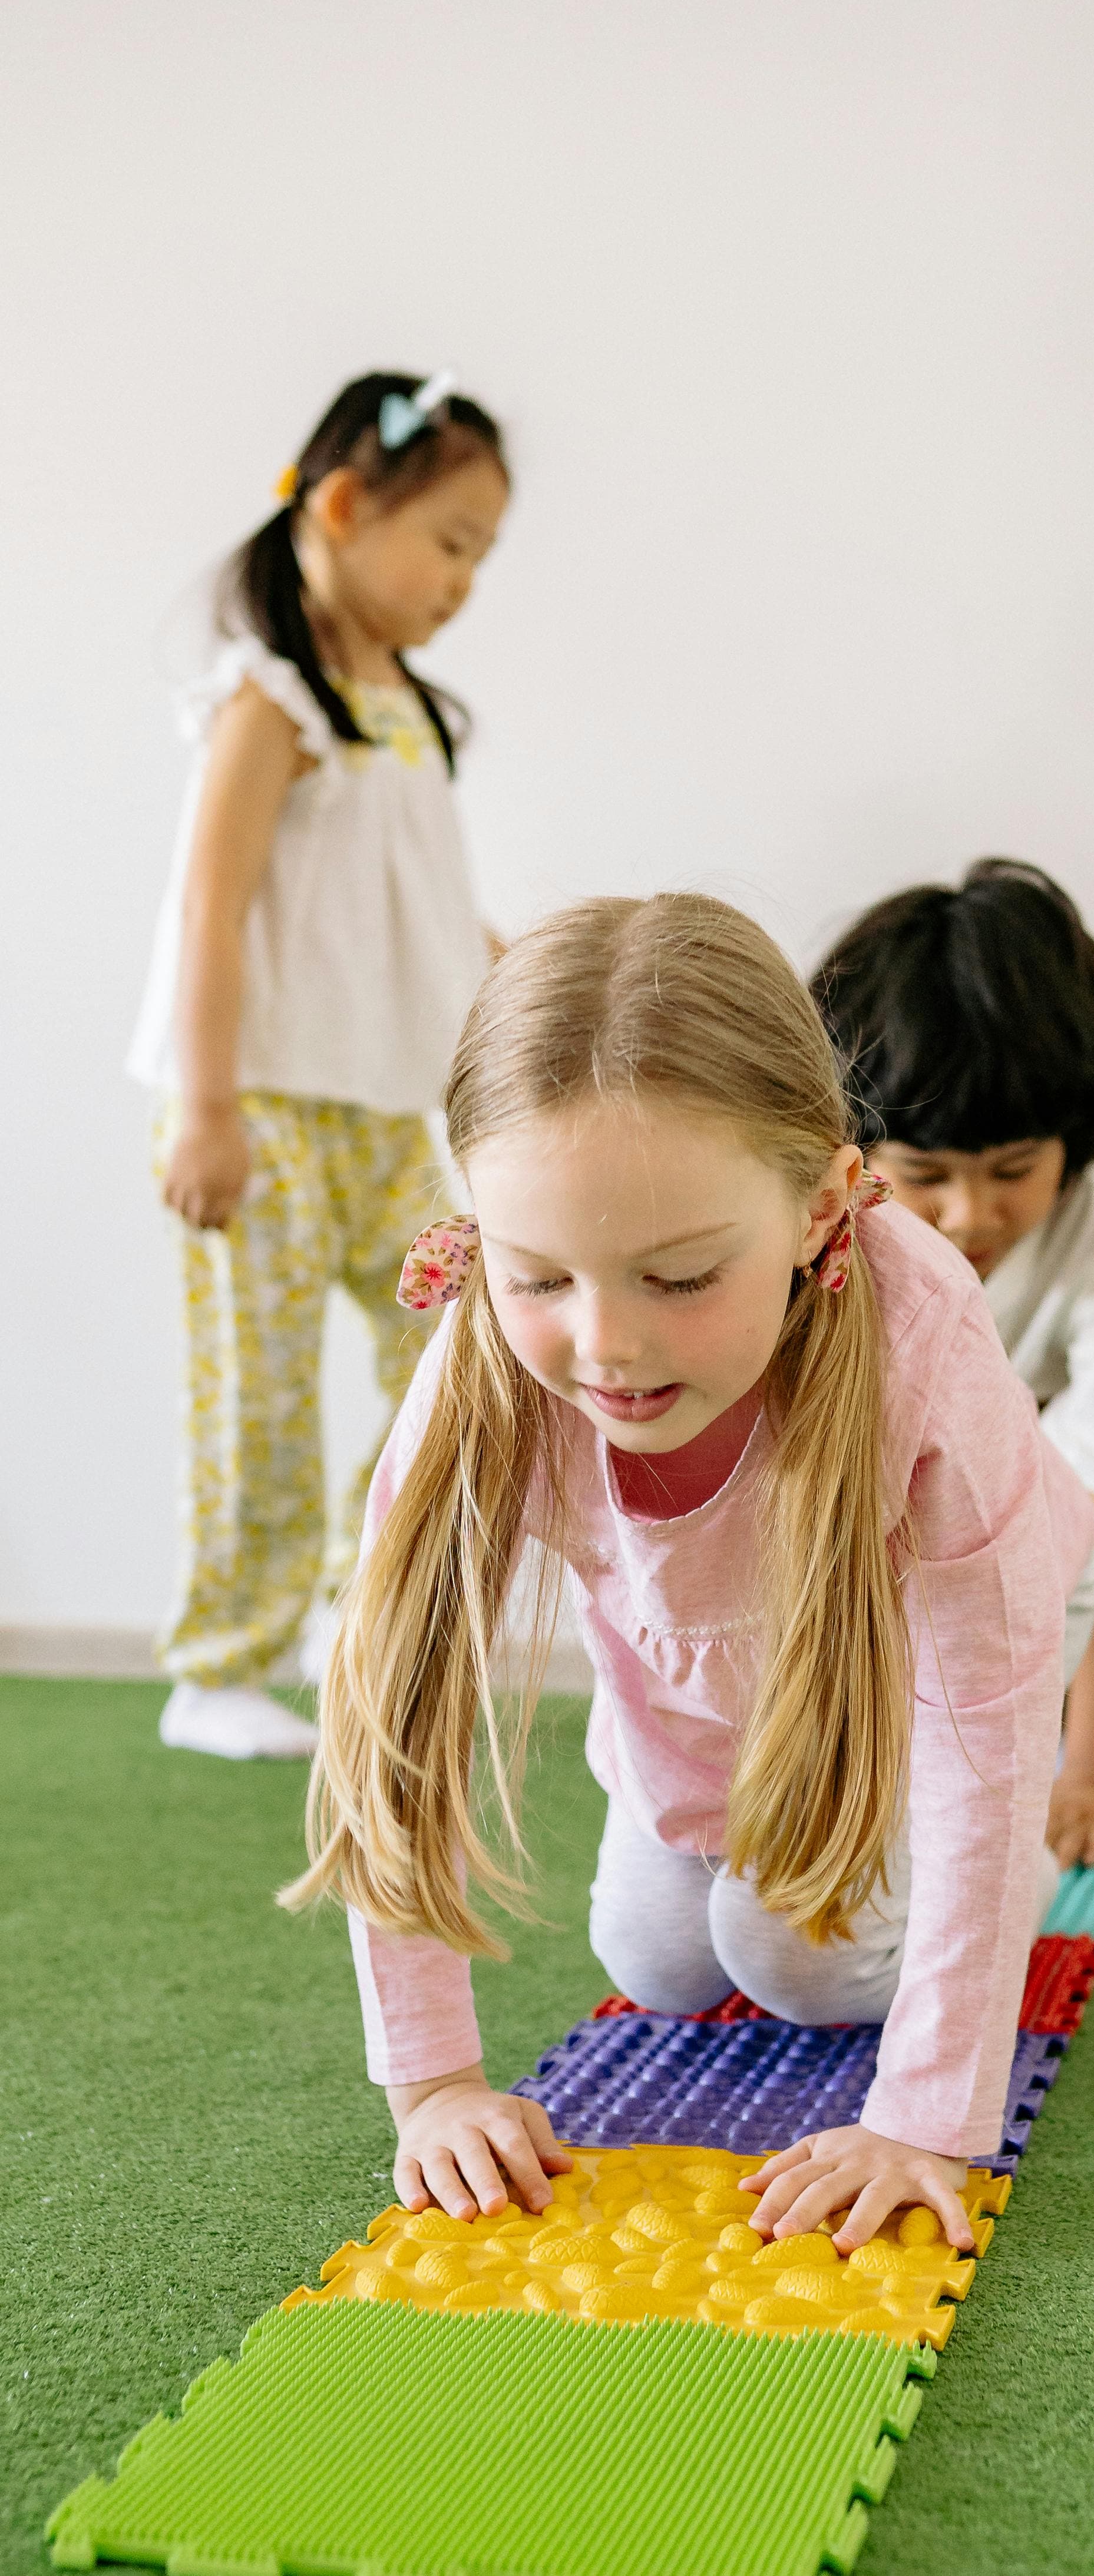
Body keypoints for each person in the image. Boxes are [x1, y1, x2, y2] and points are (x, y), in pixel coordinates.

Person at [282, 894, 1094, 2253]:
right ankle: (725, 1829)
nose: (606, 1348)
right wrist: (431, 2088)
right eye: (541, 1275)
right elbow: (395, 1717)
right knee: (657, 1963)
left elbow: (988, 1755)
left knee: (794, 1957)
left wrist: (922, 2118)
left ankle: (859, 1876)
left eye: (678, 1277)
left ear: (825, 1203)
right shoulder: (489, 1372)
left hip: (932, 1663)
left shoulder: (921, 1363)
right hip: (697, 1661)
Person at [129, 370, 508, 1760]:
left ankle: (362, 1617)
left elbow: (420, 901)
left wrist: (520, 976)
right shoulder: (270, 698)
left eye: (482, 554)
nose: (465, 579)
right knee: (260, 1386)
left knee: (452, 1349)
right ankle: (219, 1664)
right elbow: (207, 907)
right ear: (344, 509)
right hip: (263, 1107)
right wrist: (208, 1107)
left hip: (379, 1106)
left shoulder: (399, 702)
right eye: (450, 542)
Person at [811, 859, 1094, 1871]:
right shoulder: (826, 1219)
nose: (973, 1214)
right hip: (902, 1454)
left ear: (1070, 1144)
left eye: (1014, 1172)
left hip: (1060, 1459)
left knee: (1055, 1540)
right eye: (929, 1176)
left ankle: (1020, 1724)